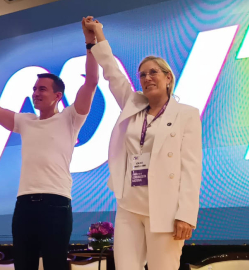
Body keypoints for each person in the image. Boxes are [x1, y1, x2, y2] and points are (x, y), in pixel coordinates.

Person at [0, 16, 99, 270]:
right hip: (25, 203)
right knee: (24, 264)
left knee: (54, 264)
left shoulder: (71, 118)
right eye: (34, 89)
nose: (35, 93)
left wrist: (90, 41)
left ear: (58, 96)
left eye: (42, 89)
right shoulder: (26, 121)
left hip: (56, 204)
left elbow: (91, 81)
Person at [84, 18, 203, 270]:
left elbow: (191, 167)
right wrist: (96, 37)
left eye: (153, 72)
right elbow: (113, 74)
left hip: (165, 209)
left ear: (168, 77)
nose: (147, 78)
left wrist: (186, 215)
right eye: (142, 75)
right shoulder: (134, 106)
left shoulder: (186, 114)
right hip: (129, 205)